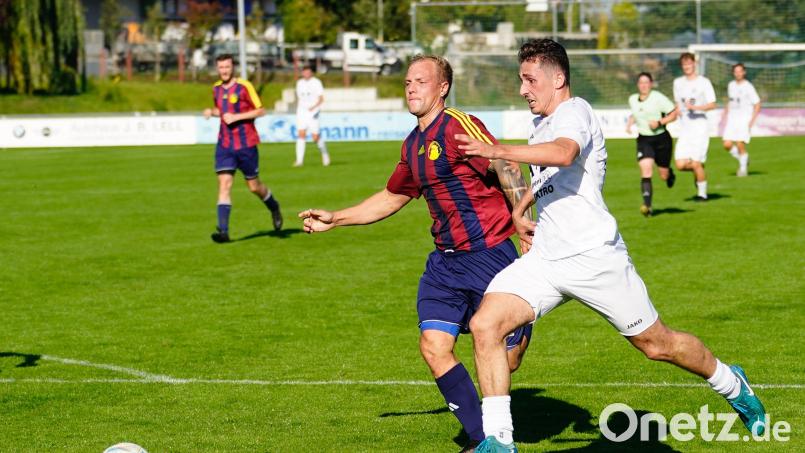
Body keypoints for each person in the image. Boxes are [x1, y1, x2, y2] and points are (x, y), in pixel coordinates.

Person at [455, 39, 767, 453]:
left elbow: (565, 155)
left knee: (658, 345)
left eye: (530, 80)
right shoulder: (540, 124)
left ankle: (730, 381)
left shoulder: (575, 111)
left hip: (595, 258)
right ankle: (499, 441)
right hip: (547, 259)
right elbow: (550, 175)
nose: (523, 89)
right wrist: (521, 208)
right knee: (485, 325)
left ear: (558, 78)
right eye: (520, 80)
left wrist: (498, 149)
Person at [299, 55, 533, 452]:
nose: (411, 87)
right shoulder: (413, 144)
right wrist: (335, 218)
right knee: (433, 345)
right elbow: (393, 196)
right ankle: (484, 442)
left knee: (504, 360)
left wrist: (523, 222)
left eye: (421, 81)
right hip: (445, 263)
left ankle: (517, 338)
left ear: (442, 88)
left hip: (491, 254)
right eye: (408, 81)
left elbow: (504, 163)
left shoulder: (457, 124)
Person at [203, 54, 282, 243]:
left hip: (246, 145)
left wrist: (236, 117)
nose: (224, 70)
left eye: (227, 67)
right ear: (217, 68)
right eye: (221, 67)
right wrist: (211, 112)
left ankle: (273, 206)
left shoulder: (245, 86)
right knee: (224, 185)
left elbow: (261, 110)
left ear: (233, 68)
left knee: (254, 187)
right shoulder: (216, 89)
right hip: (225, 145)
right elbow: (221, 111)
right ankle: (223, 231)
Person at [626, 72, 678, 217]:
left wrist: (660, 122)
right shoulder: (632, 99)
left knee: (663, 174)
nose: (643, 85)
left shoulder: (658, 98)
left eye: (646, 82)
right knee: (646, 170)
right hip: (644, 140)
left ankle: (669, 174)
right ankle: (647, 206)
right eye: (641, 82)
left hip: (662, 139)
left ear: (651, 84)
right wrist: (630, 124)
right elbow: (635, 113)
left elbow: (674, 113)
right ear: (638, 85)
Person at [673, 53, 716, 201]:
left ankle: (702, 194)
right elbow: (678, 105)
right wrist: (673, 113)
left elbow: (712, 104)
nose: (687, 67)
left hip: (700, 128)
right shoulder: (678, 83)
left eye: (689, 64)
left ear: (694, 64)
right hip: (685, 129)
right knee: (680, 164)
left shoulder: (704, 82)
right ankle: (699, 172)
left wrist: (696, 107)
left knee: (696, 162)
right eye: (684, 64)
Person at [722, 63, 761, 177]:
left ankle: (743, 169)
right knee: (727, 144)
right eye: (736, 71)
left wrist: (752, 120)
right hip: (732, 119)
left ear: (744, 72)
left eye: (740, 71)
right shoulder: (731, 85)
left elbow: (757, 103)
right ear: (733, 73)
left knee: (740, 144)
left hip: (744, 119)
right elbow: (730, 101)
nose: (738, 73)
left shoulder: (748, 86)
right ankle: (743, 159)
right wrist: (725, 113)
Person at [293, 65, 330, 167]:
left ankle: (325, 154)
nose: (306, 74)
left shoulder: (316, 82)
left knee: (315, 137)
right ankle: (299, 161)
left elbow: (321, 98)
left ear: (311, 73)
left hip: (313, 112)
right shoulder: (299, 83)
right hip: (302, 112)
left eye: (308, 72)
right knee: (301, 134)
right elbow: (300, 97)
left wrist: (314, 108)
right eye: (304, 72)